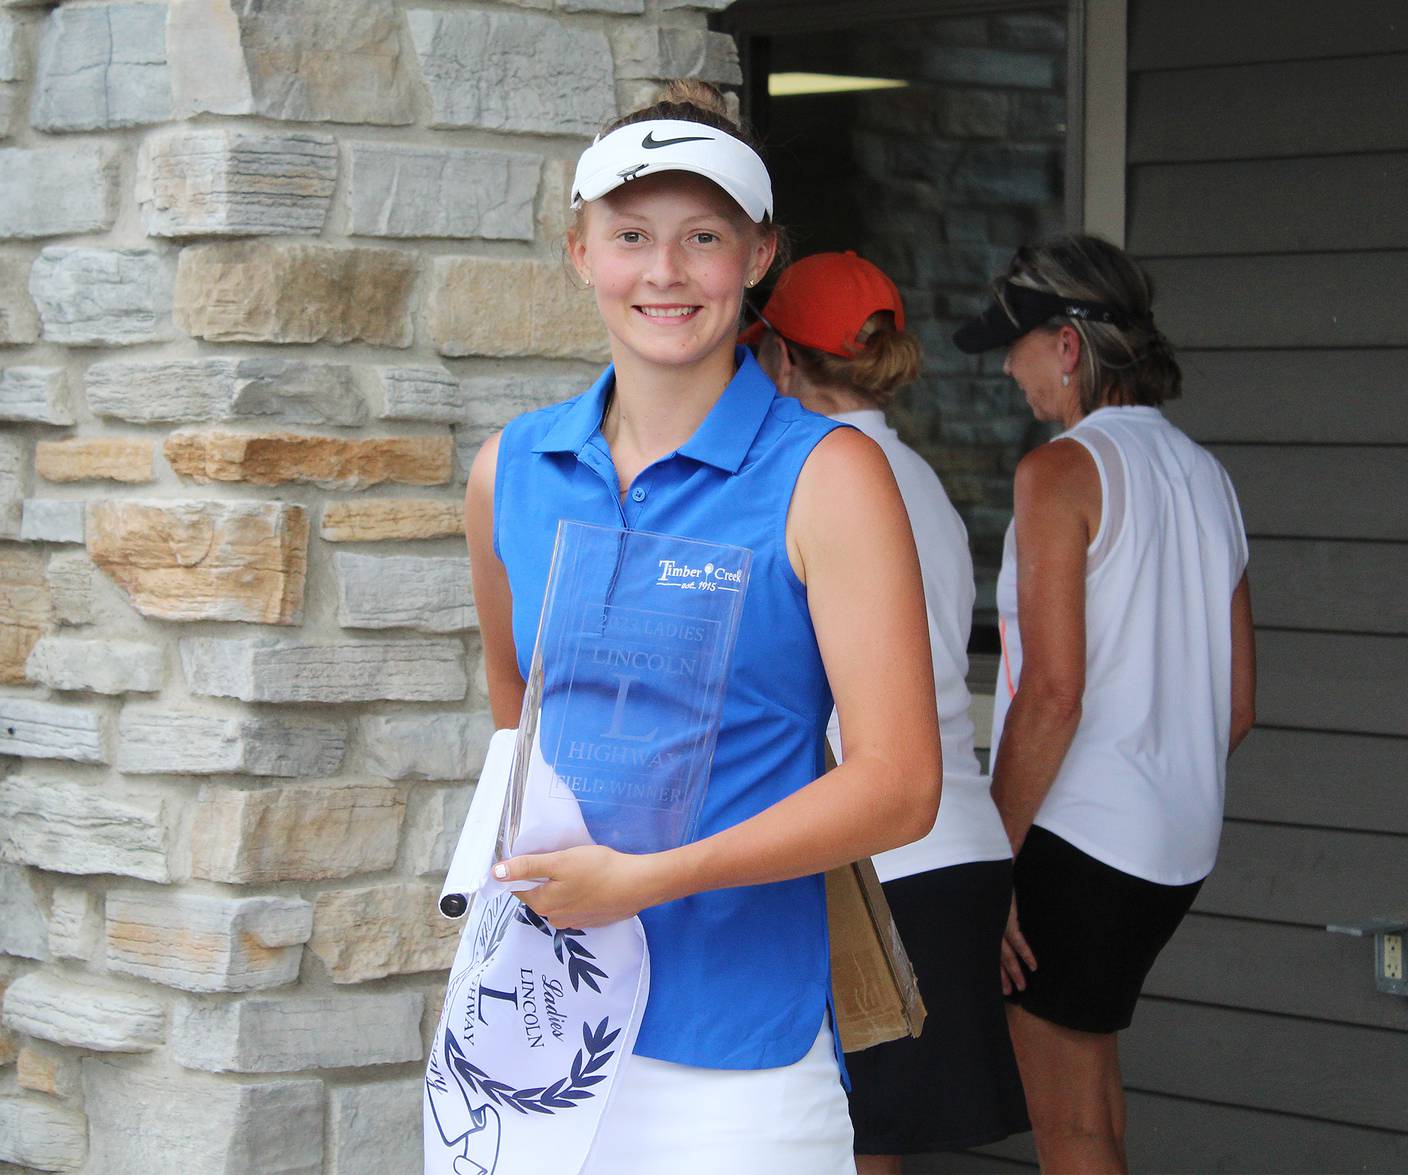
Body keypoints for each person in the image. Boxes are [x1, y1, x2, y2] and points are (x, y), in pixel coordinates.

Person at [465, 81, 943, 1174]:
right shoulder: (511, 470)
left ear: (760, 254)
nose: (666, 272)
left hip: (736, 1065)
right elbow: (516, 716)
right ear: (579, 249)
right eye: (631, 235)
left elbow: (903, 783)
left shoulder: (830, 475)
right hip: (534, 1033)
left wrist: (648, 876)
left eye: (704, 236)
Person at [953, 235, 1257, 1174]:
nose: (1008, 365)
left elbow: (1051, 690)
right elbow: (1237, 703)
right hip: (1172, 844)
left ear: (1070, 346)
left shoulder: (1059, 472)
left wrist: (989, 865)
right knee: (1096, 1102)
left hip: (1074, 843)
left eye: (1017, 343)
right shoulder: (1208, 476)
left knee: (1070, 1123)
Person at [746, 251, 1030, 1173]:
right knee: (875, 1146)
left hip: (883, 860)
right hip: (956, 847)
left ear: (783, 362)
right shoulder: (923, 485)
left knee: (849, 1145)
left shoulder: (830, 484)